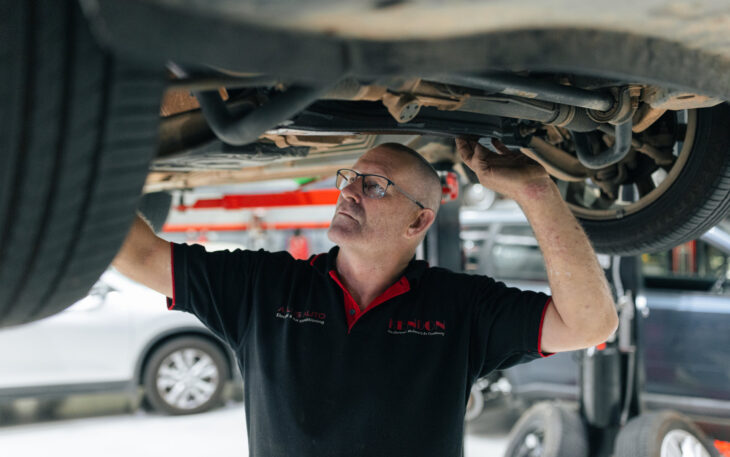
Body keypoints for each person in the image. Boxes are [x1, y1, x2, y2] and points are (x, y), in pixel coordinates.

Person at [113, 140, 618, 457]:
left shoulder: (460, 307)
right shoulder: (262, 285)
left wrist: (536, 190)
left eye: (375, 186)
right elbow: (138, 254)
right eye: (349, 179)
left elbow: (591, 323)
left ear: (419, 220)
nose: (350, 191)